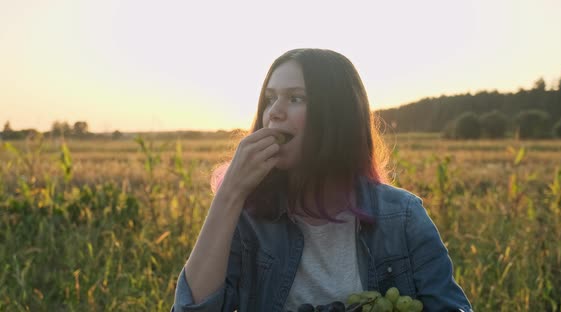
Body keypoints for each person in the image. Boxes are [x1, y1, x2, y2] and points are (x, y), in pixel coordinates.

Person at [172, 48, 472, 312]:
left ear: (335, 116)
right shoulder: (250, 219)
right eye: (270, 99)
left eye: (296, 98)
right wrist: (230, 195)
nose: (274, 113)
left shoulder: (403, 217)